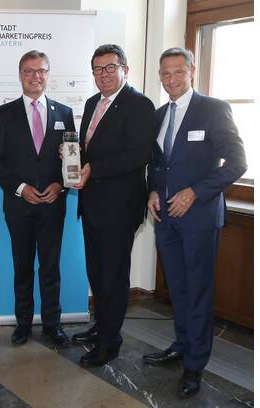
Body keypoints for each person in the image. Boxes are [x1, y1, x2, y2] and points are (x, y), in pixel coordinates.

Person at [143, 47, 247, 398]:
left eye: (178, 72)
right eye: (165, 73)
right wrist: (152, 190)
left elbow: (237, 162)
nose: (171, 79)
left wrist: (195, 192)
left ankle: (195, 363)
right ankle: (182, 344)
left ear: (192, 71)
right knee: (178, 288)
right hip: (166, 218)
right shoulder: (159, 114)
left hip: (199, 218)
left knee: (198, 290)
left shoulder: (213, 109)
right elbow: (158, 164)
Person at [70, 44, 157, 367]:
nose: (103, 74)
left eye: (110, 67)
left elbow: (139, 155)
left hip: (119, 208)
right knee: (97, 272)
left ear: (125, 70)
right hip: (91, 204)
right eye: (97, 69)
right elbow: (89, 149)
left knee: (113, 276)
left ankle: (110, 342)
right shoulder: (92, 102)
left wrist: (94, 168)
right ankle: (101, 326)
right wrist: (72, 157)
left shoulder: (139, 104)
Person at [0, 50, 74, 347]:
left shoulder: (64, 113)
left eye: (41, 70)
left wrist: (60, 185)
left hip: (53, 204)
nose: (35, 76)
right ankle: (23, 324)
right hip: (19, 205)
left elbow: (72, 159)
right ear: (20, 75)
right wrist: (20, 188)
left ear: (48, 74)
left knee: (51, 268)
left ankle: (53, 324)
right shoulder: (4, 113)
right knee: (23, 267)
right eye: (28, 71)